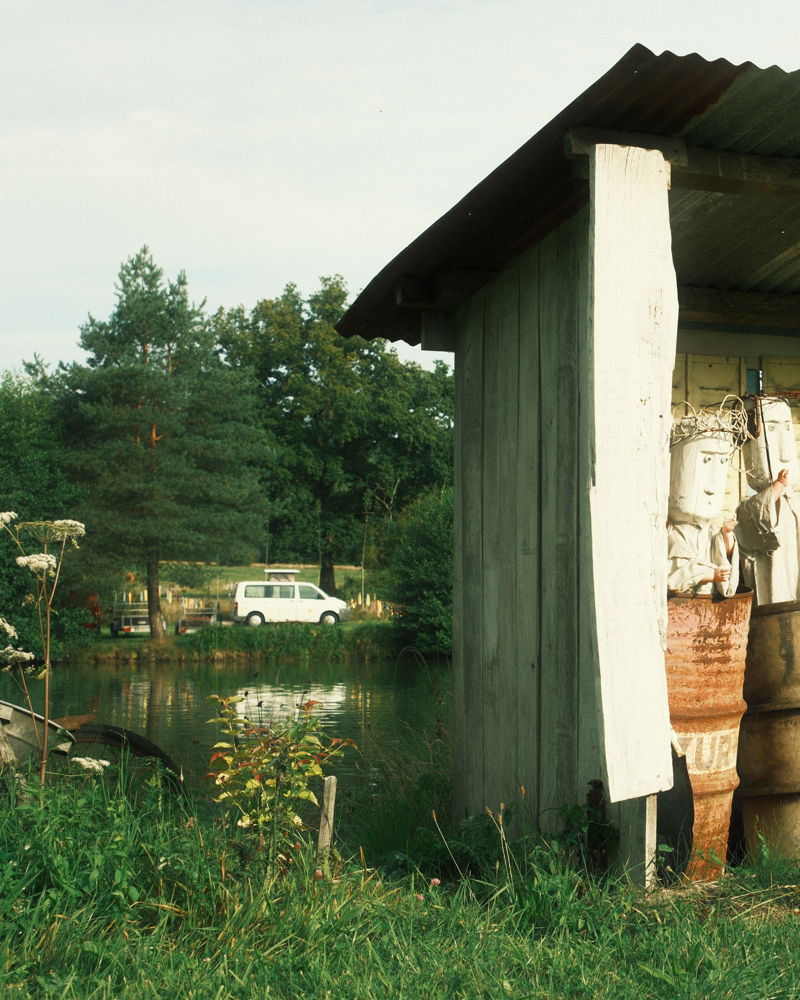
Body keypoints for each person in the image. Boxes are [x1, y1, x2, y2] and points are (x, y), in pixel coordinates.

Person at [667, 406, 743, 597]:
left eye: (723, 462)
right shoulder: (674, 532)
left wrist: (725, 534)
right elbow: (674, 573)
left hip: (707, 606)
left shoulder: (709, 529)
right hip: (683, 608)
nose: (712, 484)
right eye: (706, 461)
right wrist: (710, 575)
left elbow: (722, 553)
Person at [735, 396, 800, 606]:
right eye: (771, 430)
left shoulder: (796, 499)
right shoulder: (748, 508)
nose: (783, 448)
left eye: (787, 429)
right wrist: (778, 486)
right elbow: (757, 522)